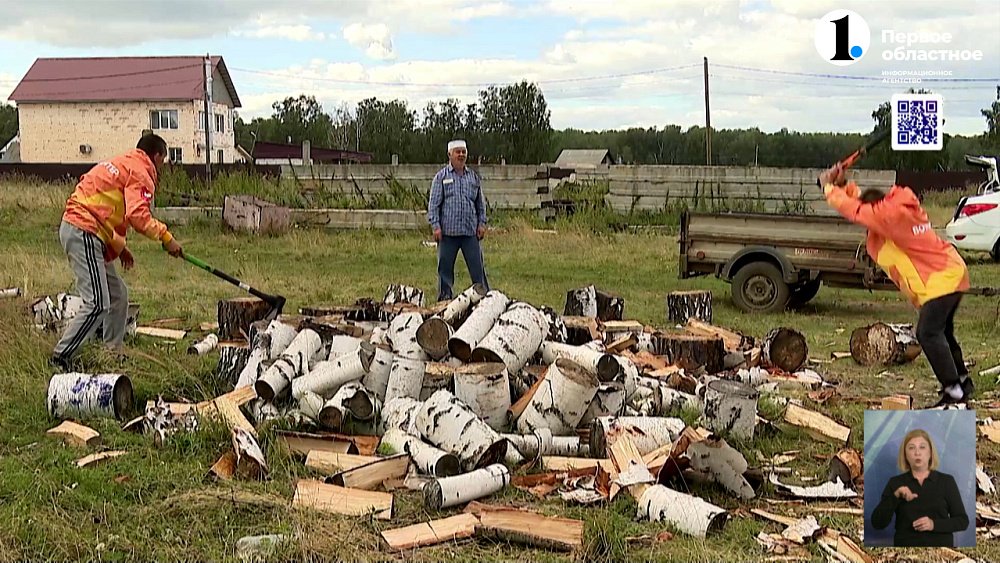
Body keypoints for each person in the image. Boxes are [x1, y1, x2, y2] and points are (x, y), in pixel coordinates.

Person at [820, 164, 973, 407]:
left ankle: (953, 391)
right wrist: (842, 184)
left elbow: (856, 210)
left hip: (940, 280)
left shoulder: (890, 217)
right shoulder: (894, 209)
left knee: (928, 333)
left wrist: (828, 187)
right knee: (942, 332)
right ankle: (962, 381)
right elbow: (862, 204)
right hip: (950, 272)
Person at [50, 134, 184, 370]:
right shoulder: (142, 172)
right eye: (164, 160)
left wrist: (120, 248)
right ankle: (60, 357)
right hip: (84, 231)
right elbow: (137, 215)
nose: (163, 166)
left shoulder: (124, 163)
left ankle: (111, 353)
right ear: (157, 156)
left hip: (89, 229)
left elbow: (104, 209)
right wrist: (166, 237)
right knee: (98, 302)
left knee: (118, 294)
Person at [870, 429, 970, 547]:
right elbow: (877, 523)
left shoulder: (946, 481)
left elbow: (962, 521)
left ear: (930, 453)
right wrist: (895, 496)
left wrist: (933, 524)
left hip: (941, 550)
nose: (917, 452)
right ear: (905, 454)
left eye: (922, 447)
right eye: (911, 448)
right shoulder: (896, 483)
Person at [427, 139, 490, 301]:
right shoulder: (441, 177)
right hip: (447, 234)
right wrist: (436, 226)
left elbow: (480, 204)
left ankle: (485, 300)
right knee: (445, 271)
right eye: (458, 152)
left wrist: (482, 224)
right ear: (450, 154)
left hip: (470, 233)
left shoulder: (473, 178)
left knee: (478, 270)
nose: (461, 155)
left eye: (463, 152)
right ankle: (444, 301)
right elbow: (434, 204)